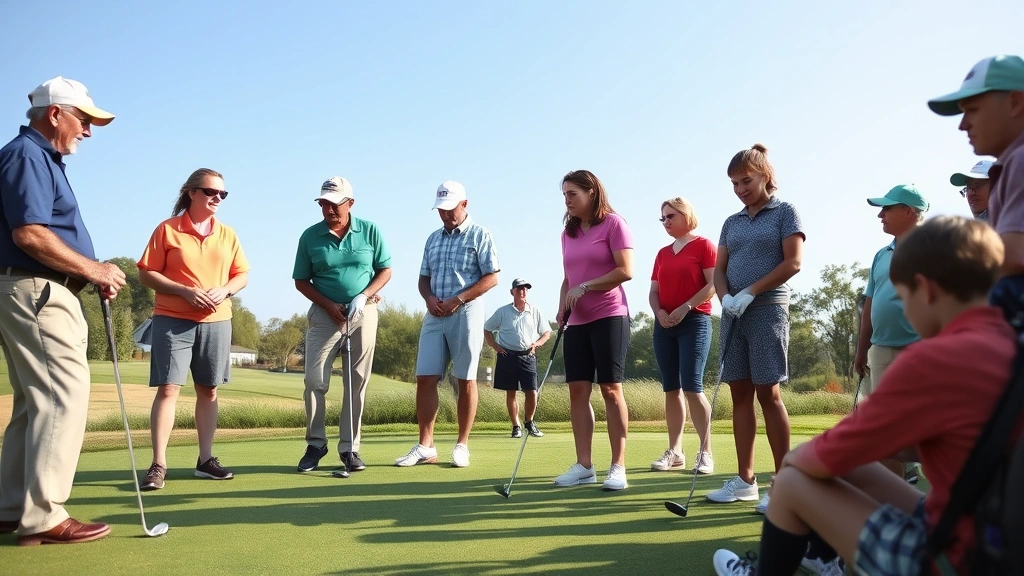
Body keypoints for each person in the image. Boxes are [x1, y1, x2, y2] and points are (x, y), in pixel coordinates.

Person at [711, 216, 1015, 576]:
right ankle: (826, 557)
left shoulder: (932, 359)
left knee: (793, 479)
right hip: (1000, 532)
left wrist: (793, 466)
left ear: (926, 290)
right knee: (856, 467)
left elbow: (826, 456)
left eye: (903, 297)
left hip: (958, 557)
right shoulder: (1010, 341)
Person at [0, 76, 125, 545]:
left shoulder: (32, 155)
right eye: (84, 119)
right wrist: (94, 270)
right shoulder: (28, 154)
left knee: (34, 404)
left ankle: (12, 507)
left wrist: (91, 273)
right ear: (56, 114)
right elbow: (29, 234)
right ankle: (45, 514)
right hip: (38, 292)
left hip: (33, 289)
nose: (89, 131)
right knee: (61, 397)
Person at [137, 168, 250, 490]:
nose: (218, 198)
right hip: (172, 319)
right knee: (169, 389)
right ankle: (158, 464)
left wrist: (225, 289)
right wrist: (184, 290)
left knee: (209, 390)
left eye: (222, 194)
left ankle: (204, 460)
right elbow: (147, 273)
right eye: (211, 192)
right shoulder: (168, 230)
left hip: (217, 321)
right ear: (192, 192)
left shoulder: (227, 234)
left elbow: (241, 275)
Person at [708, 144, 804, 514]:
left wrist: (750, 291)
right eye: (734, 183)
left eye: (746, 180)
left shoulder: (785, 211)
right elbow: (719, 269)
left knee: (769, 393)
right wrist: (726, 297)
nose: (740, 188)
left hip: (767, 310)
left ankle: (785, 484)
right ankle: (746, 480)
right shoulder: (731, 222)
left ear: (765, 175)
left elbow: (793, 262)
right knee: (739, 396)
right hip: (735, 313)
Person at [395, 181, 499, 468]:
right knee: (425, 377)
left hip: (466, 312)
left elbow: (492, 277)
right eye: (440, 209)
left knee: (465, 379)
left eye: (449, 208)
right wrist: (428, 298)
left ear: (464, 204)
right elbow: (423, 278)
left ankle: (462, 444)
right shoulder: (433, 239)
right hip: (434, 314)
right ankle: (426, 445)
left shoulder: (480, 234)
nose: (444, 214)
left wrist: (458, 299)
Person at [293, 177, 392, 473]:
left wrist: (364, 295)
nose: (329, 209)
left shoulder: (370, 230)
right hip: (325, 314)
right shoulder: (310, 236)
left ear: (350, 203)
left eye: (335, 203)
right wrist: (328, 305)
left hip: (364, 313)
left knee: (357, 382)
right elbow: (301, 281)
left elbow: (385, 270)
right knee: (314, 380)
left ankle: (350, 448)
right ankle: (316, 444)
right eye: (324, 203)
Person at [553, 169, 633, 491]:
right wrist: (561, 307)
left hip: (610, 314)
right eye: (564, 195)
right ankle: (584, 465)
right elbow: (568, 277)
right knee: (577, 390)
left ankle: (618, 466)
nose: (567, 201)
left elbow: (625, 270)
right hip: (578, 321)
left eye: (573, 194)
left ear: (591, 193)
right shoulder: (567, 234)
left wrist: (586, 287)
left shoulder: (614, 224)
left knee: (611, 390)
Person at [928, 54, 1024, 322]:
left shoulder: (1020, 160)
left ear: (1015, 102)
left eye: (973, 110)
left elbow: (1015, 254)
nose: (962, 124)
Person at [649, 197, 716, 474]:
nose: (665, 222)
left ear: (686, 215)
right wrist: (659, 313)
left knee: (692, 386)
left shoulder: (704, 246)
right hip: (664, 326)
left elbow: (714, 284)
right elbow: (653, 292)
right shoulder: (662, 253)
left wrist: (686, 306)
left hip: (695, 321)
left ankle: (705, 452)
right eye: (662, 218)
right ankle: (675, 452)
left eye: (670, 216)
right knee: (671, 388)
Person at [483, 278, 551, 438]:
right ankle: (516, 426)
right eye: (519, 289)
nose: (523, 291)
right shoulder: (502, 311)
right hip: (507, 356)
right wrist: (495, 346)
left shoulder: (534, 311)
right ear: (512, 291)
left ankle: (529, 422)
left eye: (525, 289)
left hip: (527, 356)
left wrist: (537, 343)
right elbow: (487, 328)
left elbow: (546, 332)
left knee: (532, 392)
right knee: (511, 392)